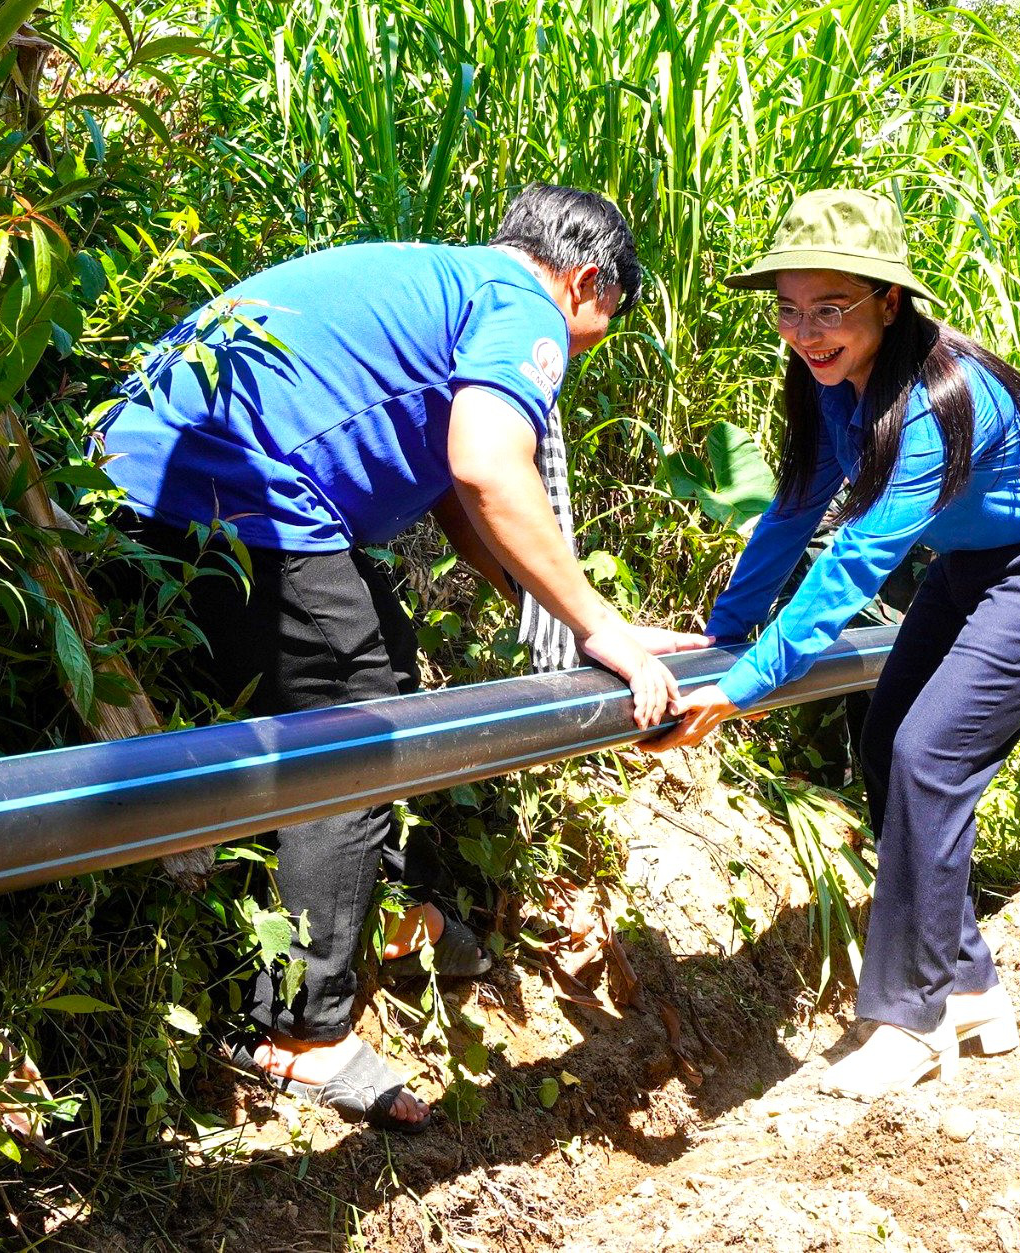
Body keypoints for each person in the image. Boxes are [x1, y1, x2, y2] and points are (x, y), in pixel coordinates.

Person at [98, 184, 711, 1130]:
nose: (576, 357)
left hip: (153, 472)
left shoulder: (444, 283)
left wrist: (569, 614)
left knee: (382, 655)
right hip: (236, 491)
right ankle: (297, 1031)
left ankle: (363, 918)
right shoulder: (524, 306)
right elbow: (488, 465)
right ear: (589, 281)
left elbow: (456, 497)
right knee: (356, 728)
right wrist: (602, 631)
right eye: (594, 335)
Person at [645, 189, 1020, 1098]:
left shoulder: (942, 398)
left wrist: (744, 685)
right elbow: (793, 508)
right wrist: (726, 632)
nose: (806, 331)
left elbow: (857, 557)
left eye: (830, 308)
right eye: (788, 308)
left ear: (886, 302)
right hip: (974, 562)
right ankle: (972, 983)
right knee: (885, 740)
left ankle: (911, 1016)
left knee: (929, 753)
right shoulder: (831, 386)